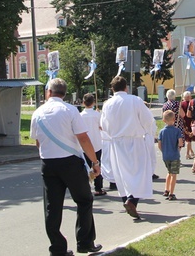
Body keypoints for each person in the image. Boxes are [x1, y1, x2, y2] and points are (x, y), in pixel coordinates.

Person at [30, 78, 102, 256]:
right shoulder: (70, 110)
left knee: (52, 207)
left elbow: (37, 141)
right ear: (64, 93)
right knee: (84, 200)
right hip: (70, 162)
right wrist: (95, 162)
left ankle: (57, 248)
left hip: (48, 163)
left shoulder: (38, 112)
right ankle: (85, 242)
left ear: (48, 92)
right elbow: (83, 138)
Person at [100, 76, 156, 220]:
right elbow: (148, 120)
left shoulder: (108, 104)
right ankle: (132, 201)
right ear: (126, 87)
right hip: (135, 140)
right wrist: (147, 132)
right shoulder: (135, 100)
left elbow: (104, 125)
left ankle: (127, 200)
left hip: (117, 143)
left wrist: (113, 133)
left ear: (112, 89)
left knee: (121, 174)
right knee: (141, 171)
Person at [80, 93, 106, 196]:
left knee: (85, 167)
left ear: (83, 103)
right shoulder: (97, 114)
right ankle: (98, 187)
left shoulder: (80, 116)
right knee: (97, 165)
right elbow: (102, 126)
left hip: (85, 145)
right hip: (96, 143)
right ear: (93, 103)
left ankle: (85, 187)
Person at [157, 110, 184, 201]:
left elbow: (159, 144)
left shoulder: (162, 131)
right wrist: (179, 148)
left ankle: (166, 189)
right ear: (174, 119)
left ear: (163, 120)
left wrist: (163, 151)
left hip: (166, 156)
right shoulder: (177, 131)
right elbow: (180, 142)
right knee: (174, 174)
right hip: (174, 155)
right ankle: (171, 193)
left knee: (169, 172)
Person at [179, 91, 195, 160]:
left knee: (188, 138)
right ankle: (187, 153)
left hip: (184, 122)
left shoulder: (181, 104)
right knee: (189, 139)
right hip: (190, 121)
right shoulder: (191, 103)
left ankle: (191, 151)